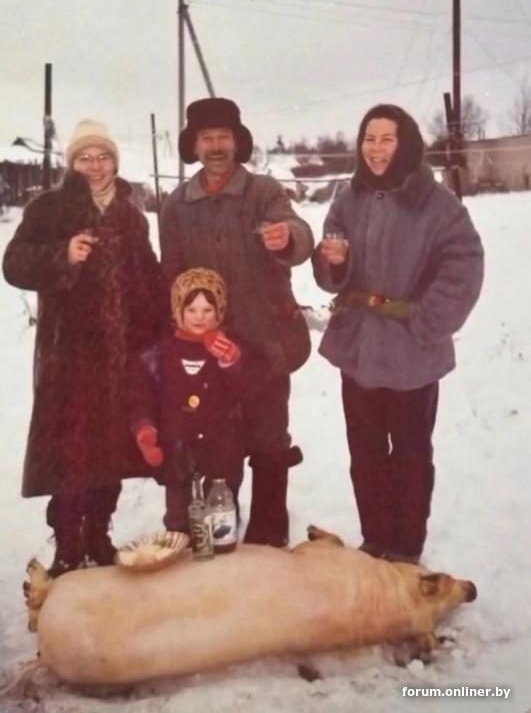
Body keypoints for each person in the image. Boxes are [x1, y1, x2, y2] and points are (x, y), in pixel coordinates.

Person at [313, 104, 484, 563]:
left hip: (412, 354)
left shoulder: (439, 204)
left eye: (387, 139)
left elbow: (464, 267)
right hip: (359, 351)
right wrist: (332, 262)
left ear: (405, 143)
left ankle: (406, 548)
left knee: (410, 455)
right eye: (369, 139)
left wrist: (426, 321)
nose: (376, 149)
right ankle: (375, 539)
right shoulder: (348, 198)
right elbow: (331, 268)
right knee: (365, 451)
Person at [2, 120, 162, 576]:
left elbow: (148, 275)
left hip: (121, 354)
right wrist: (63, 254)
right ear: (72, 164)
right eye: (85, 158)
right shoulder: (49, 208)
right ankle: (69, 544)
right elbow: (13, 264)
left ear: (115, 162)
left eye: (103, 156)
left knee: (112, 448)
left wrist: (169, 321)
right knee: (70, 452)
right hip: (68, 357)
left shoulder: (130, 214)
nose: (95, 166)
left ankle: (98, 535)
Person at [160, 98, 313, 547]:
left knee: (270, 440)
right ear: (193, 145)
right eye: (206, 138)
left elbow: (299, 234)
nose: (215, 146)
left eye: (223, 137)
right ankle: (220, 532)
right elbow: (171, 278)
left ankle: (269, 535)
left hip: (267, 346)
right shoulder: (176, 206)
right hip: (206, 351)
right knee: (214, 444)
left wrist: (287, 238)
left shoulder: (263, 191)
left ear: (237, 142)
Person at [129, 267, 261, 533]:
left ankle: (223, 552)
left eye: (207, 310)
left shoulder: (231, 348)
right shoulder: (158, 355)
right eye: (191, 310)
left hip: (222, 455)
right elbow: (141, 397)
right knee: (180, 522)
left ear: (219, 311)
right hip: (177, 453)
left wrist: (232, 365)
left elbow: (248, 392)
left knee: (221, 523)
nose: (199, 317)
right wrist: (145, 429)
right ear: (178, 311)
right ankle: (181, 547)